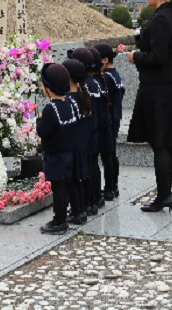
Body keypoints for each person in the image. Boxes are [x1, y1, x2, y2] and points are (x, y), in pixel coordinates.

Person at [125, 0, 172, 213]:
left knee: (161, 144)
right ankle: (165, 193)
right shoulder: (168, 15)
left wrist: (135, 57)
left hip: (158, 91)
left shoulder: (163, 18)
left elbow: (158, 57)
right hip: (164, 89)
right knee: (165, 143)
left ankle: (164, 195)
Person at [36, 63, 77, 234]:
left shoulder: (50, 108)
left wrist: (39, 119)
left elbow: (43, 130)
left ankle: (59, 220)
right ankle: (64, 216)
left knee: (57, 189)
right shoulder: (69, 103)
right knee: (65, 186)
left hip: (55, 156)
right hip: (68, 152)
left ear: (48, 89)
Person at [68, 48, 100, 216]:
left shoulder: (83, 89)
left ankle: (88, 203)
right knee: (91, 168)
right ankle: (92, 201)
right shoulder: (90, 85)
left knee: (86, 171)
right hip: (92, 132)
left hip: (86, 135)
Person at [93, 43, 124, 200]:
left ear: (104, 60)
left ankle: (110, 188)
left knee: (107, 155)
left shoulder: (106, 77)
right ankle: (113, 187)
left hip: (108, 120)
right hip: (115, 118)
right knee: (111, 154)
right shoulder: (115, 74)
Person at [62, 59, 92, 225]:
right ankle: (80, 210)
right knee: (78, 180)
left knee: (71, 181)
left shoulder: (70, 101)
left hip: (73, 146)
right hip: (81, 146)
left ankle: (76, 211)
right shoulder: (82, 96)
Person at [86, 47, 114, 210]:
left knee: (94, 164)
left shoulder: (91, 84)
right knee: (97, 163)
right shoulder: (97, 82)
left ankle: (93, 199)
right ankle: (98, 196)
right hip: (102, 126)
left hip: (97, 128)